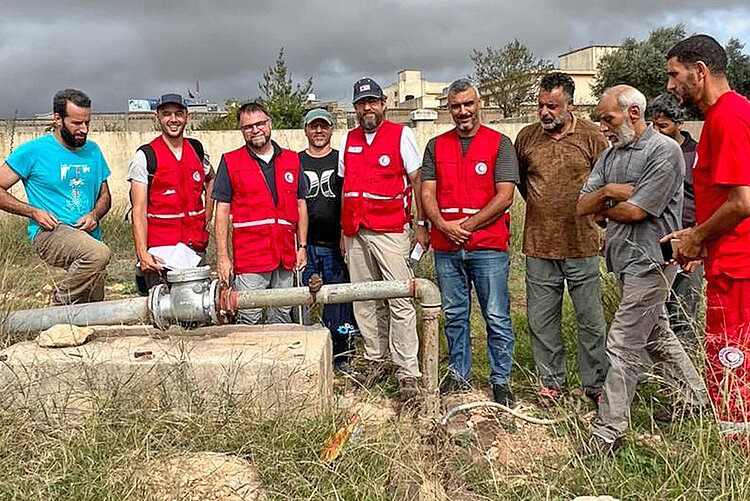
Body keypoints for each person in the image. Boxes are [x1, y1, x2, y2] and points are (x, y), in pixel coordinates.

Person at [577, 85, 708, 454]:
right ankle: (696, 399)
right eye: (601, 119)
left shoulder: (663, 152)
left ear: (633, 113)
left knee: (621, 341)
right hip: (622, 260)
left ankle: (609, 430)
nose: (603, 126)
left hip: (652, 261)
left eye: (608, 118)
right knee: (656, 334)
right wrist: (611, 193)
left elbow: (638, 211)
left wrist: (605, 204)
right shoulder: (609, 157)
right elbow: (580, 206)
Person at [665, 34, 750, 444]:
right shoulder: (725, 115)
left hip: (739, 267)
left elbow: (741, 201)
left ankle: (735, 447)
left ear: (699, 72)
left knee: (731, 356)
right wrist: (699, 240)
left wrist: (697, 237)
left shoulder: (728, 117)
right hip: (727, 259)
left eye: (674, 75)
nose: (669, 86)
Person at [421, 79, 518, 406]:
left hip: (487, 246)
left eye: (468, 104)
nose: (462, 112)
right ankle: (459, 375)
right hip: (448, 248)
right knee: (455, 313)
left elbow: (505, 196)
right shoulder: (435, 146)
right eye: (455, 106)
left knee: (496, 315)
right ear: (448, 109)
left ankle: (501, 379)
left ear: (479, 104)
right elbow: (426, 193)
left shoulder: (500, 144)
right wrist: (441, 225)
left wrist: (467, 226)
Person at [515, 72, 609, 404]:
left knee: (591, 321)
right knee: (542, 321)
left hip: (582, 244)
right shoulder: (526, 139)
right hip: (540, 244)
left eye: (552, 106)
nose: (545, 112)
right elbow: (523, 186)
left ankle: (595, 385)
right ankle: (551, 383)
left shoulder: (592, 137)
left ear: (569, 103)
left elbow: (607, 183)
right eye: (541, 105)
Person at [338, 77, 429, 402]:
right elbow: (346, 188)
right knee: (364, 298)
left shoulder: (401, 135)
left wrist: (421, 224)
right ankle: (377, 359)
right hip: (355, 231)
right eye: (362, 103)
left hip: (391, 230)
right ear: (355, 108)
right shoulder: (348, 140)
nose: (368, 108)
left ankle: (408, 371)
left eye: (373, 102)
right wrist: (342, 233)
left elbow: (417, 181)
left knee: (399, 300)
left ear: (383, 104)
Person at [0, 88, 111, 304]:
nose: (84, 129)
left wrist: (95, 214)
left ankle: (63, 325)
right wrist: (32, 211)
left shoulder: (93, 151)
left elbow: (104, 195)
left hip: (88, 233)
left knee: (93, 307)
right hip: (51, 231)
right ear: (58, 119)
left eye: (87, 122)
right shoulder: (33, 151)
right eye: (77, 123)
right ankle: (58, 303)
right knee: (97, 255)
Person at [213, 101, 307, 324]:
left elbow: (301, 204)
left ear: (270, 124)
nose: (255, 130)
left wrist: (302, 246)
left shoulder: (292, 159)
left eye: (260, 124)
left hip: (285, 255)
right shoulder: (230, 161)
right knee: (249, 315)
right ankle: (252, 358)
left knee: (283, 314)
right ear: (242, 131)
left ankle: (280, 358)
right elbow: (221, 212)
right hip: (251, 257)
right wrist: (223, 257)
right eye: (248, 127)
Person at [127, 93, 215, 293]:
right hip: (160, 253)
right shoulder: (145, 156)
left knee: (196, 309)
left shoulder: (197, 150)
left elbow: (211, 180)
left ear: (187, 117)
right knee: (164, 312)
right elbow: (138, 211)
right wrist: (142, 254)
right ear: (156, 117)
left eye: (178, 114)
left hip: (194, 249)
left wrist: (207, 215)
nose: (173, 119)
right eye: (166, 114)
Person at [299, 108, 356, 367]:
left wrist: (347, 232)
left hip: (335, 243)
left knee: (338, 301)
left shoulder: (341, 160)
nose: (318, 131)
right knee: (303, 299)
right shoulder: (296, 161)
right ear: (306, 130)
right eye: (313, 126)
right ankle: (305, 352)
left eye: (323, 126)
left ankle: (341, 352)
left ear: (332, 129)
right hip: (305, 244)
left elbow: (350, 196)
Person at [646, 93, 702, 341]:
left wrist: (698, 245)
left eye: (663, 125)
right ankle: (654, 375)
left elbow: (710, 202)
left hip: (688, 243)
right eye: (653, 125)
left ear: (679, 124)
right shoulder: (648, 153)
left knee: (683, 314)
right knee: (651, 316)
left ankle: (683, 376)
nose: (656, 131)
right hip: (654, 243)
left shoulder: (697, 155)